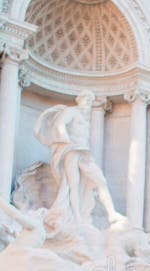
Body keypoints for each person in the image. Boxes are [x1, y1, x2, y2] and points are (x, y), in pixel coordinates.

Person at [34, 90, 126, 227]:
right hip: (72, 151)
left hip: (84, 152)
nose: (88, 104)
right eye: (86, 100)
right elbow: (60, 124)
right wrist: (67, 142)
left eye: (90, 101)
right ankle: (77, 218)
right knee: (73, 184)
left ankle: (111, 213)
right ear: (79, 100)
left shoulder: (85, 118)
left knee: (100, 180)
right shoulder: (72, 111)